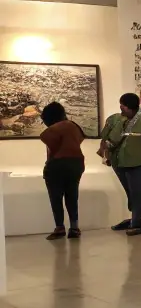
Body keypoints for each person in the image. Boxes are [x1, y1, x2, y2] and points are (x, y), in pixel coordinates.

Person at [99, 92, 141, 236]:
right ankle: (137, 218)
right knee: (130, 192)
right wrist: (105, 155)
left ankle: (138, 221)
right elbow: (105, 136)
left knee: (138, 193)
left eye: (123, 105)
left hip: (138, 164)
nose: (121, 108)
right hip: (118, 162)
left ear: (130, 106)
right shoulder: (115, 119)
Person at [39, 102, 85, 240]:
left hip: (57, 164)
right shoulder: (74, 126)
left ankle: (59, 227)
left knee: (56, 197)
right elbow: (81, 138)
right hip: (77, 163)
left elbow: (45, 138)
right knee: (72, 195)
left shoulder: (53, 129)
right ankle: (74, 227)